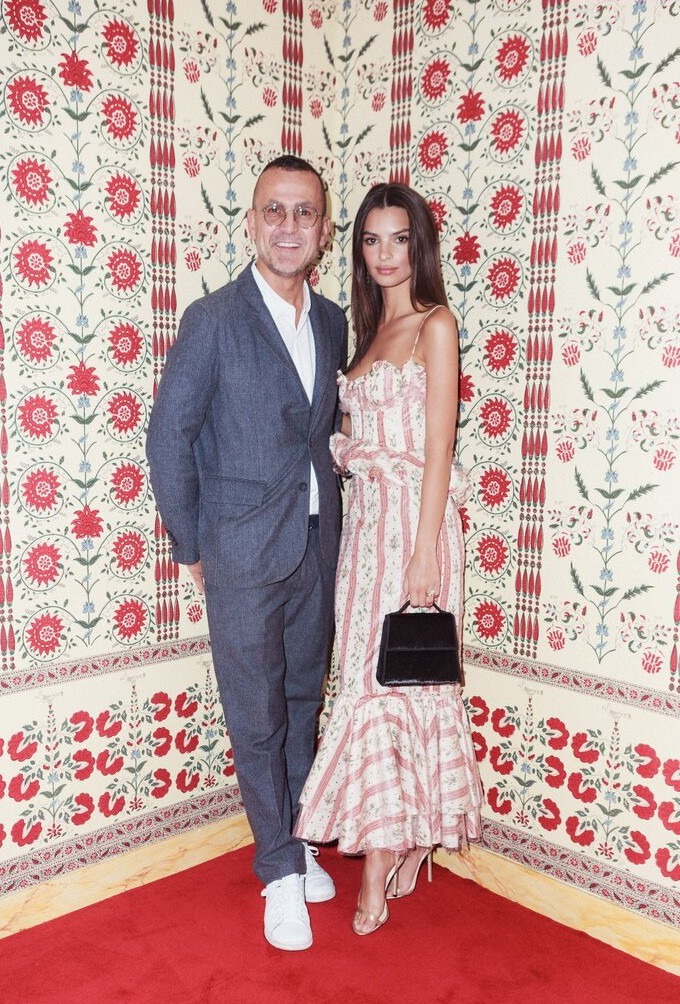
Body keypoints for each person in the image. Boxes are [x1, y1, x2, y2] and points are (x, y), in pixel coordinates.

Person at [146, 155, 347, 952]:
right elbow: (169, 437)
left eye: (304, 212)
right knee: (256, 714)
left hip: (316, 545)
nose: (288, 226)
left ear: (323, 230)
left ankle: (296, 838)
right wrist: (189, 542)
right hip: (238, 552)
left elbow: (319, 431)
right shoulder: (213, 319)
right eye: (274, 210)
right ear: (252, 223)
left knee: (300, 702)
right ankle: (279, 875)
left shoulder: (332, 320)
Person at [295, 182, 483, 935]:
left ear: (419, 244)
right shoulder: (368, 336)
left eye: (398, 238)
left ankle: (379, 864)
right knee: (366, 684)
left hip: (413, 527)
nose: (384, 254)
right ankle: (404, 840)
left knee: (399, 684)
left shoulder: (437, 324)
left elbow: (438, 449)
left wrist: (425, 554)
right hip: (364, 531)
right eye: (371, 240)